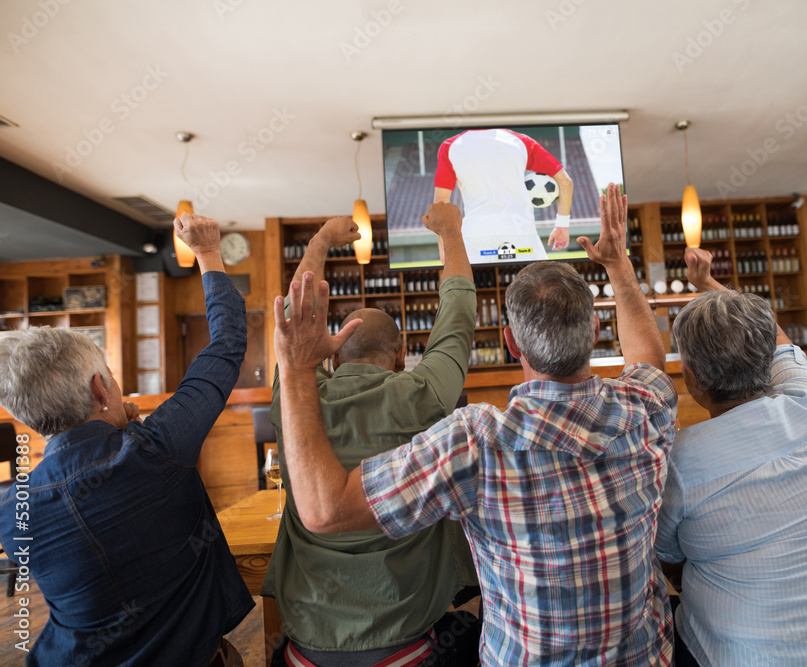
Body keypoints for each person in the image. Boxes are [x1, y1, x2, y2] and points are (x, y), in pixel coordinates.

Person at [272, 184, 677, 665]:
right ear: (594, 333)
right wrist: (618, 266)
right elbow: (648, 355)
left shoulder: (476, 442)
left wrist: (296, 366)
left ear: (510, 342)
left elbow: (326, 510)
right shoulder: (646, 405)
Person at [0, 214, 253, 667]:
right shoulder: (159, 445)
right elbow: (227, 344)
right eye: (113, 379)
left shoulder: (10, 513)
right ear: (101, 388)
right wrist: (208, 252)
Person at [262, 204, 482, 667]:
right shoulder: (424, 394)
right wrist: (451, 232)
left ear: (334, 357)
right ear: (401, 356)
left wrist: (320, 239)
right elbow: (458, 314)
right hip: (411, 648)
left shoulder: (296, 398)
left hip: (305, 650)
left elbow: (295, 317)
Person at [655, 246, 807, 666]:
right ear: (768, 361)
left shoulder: (679, 462)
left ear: (690, 378)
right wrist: (709, 285)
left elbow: (667, 557)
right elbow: (782, 344)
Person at [434, 127, 574, 263]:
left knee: (477, 287)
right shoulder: (520, 141)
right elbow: (565, 181)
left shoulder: (451, 146)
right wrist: (562, 226)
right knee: (539, 285)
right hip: (520, 233)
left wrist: (444, 245)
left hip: (476, 236)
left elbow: (441, 203)